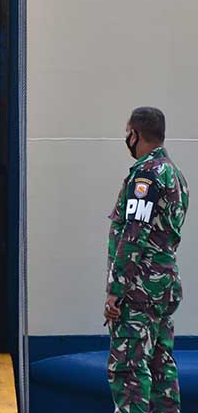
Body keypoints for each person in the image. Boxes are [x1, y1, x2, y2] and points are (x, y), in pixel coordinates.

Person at [104, 107, 188, 413]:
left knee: (128, 371)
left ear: (135, 134)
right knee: (160, 365)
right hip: (163, 288)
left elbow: (134, 234)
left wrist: (116, 289)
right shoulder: (175, 174)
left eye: (127, 132)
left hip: (138, 290)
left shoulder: (146, 175)